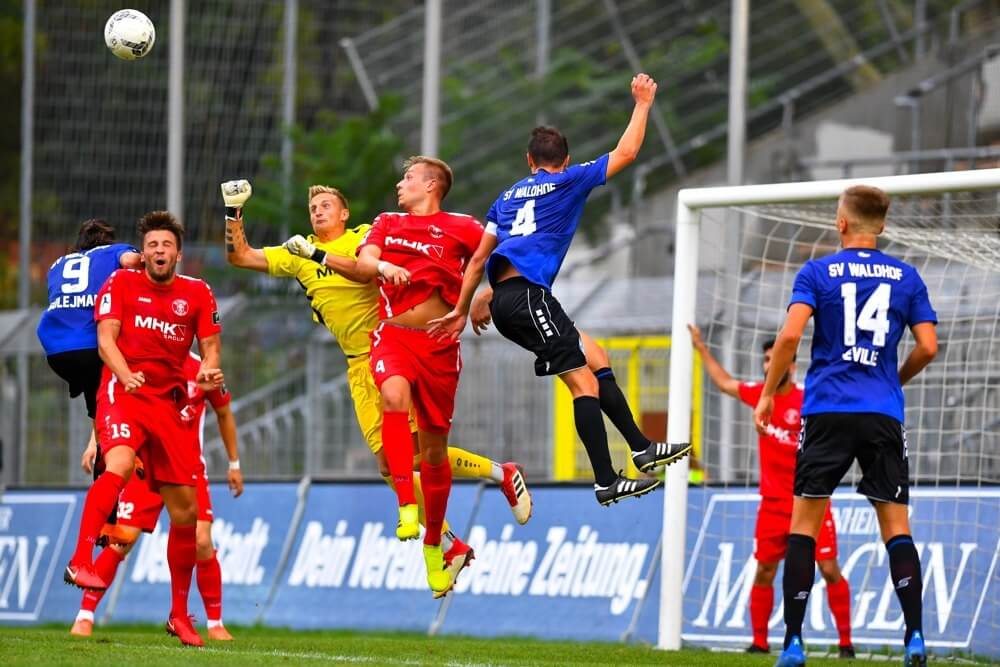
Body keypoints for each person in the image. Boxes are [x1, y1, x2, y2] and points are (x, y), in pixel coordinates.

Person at [222, 181, 531, 592]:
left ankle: (465, 519)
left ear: (344, 214)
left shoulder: (367, 238)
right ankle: (483, 497)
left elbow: (411, 259)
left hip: (395, 349)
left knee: (419, 455)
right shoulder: (298, 253)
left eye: (326, 205)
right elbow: (240, 256)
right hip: (358, 366)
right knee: (393, 466)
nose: (318, 211)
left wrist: (467, 292)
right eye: (313, 207)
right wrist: (233, 211)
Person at [429, 73, 690, 505]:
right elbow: (627, 152)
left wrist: (470, 302)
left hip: (515, 299)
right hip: (529, 300)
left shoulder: (505, 198)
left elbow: (480, 259)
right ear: (565, 161)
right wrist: (643, 103)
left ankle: (642, 448)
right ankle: (606, 480)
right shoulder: (570, 181)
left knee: (596, 356)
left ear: (529, 161)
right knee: (583, 384)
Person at [755, 186, 938, 667]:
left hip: (827, 411)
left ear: (840, 223)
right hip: (882, 412)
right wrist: (893, 380)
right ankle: (915, 636)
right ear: (882, 225)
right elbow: (928, 347)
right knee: (896, 528)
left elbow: (790, 336)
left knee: (804, 528)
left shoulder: (818, 272)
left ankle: (793, 644)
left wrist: (769, 393)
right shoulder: (907, 276)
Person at [64, 210, 226, 648]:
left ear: (178, 254)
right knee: (118, 465)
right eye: (152, 244)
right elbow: (106, 341)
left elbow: (211, 349)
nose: (159, 251)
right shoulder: (121, 282)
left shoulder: (197, 292)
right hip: (124, 393)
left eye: (166, 245)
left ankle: (179, 615)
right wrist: (125, 374)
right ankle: (81, 560)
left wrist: (208, 370)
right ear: (144, 251)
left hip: (167, 408)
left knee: (187, 516)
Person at [347, 155, 483, 595]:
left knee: (435, 452)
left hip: (440, 348)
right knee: (392, 396)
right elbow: (365, 260)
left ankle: (434, 546)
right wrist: (383, 266)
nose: (399, 184)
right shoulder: (387, 222)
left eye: (408, 177)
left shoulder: (463, 227)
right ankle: (406, 503)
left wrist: (482, 299)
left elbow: (501, 258)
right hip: (394, 336)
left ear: (431, 185)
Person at [688, 327, 854, 657]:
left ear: (791, 365)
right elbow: (724, 383)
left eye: (774, 359)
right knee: (765, 571)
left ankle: (846, 644)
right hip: (773, 504)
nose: (768, 365)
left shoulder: (809, 399)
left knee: (828, 568)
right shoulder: (760, 395)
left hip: (810, 501)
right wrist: (702, 348)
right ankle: (760, 642)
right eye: (765, 360)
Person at [70, 352, 244, 641]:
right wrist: (95, 442)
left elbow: (224, 413)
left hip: (188, 466)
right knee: (122, 539)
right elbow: (113, 399)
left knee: (202, 541)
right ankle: (84, 615)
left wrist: (234, 464)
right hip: (145, 465)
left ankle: (215, 623)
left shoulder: (202, 368)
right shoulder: (142, 358)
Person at [36, 219, 141, 449]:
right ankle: (119, 455)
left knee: (97, 403)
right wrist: (152, 258)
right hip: (92, 347)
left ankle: (99, 449)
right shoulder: (114, 251)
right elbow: (131, 261)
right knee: (123, 397)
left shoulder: (57, 264)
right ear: (108, 240)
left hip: (57, 352)